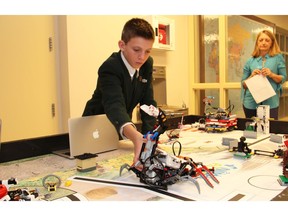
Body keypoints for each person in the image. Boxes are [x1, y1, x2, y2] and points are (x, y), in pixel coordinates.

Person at [82, 18, 157, 167]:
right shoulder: (109, 67)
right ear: (122, 45)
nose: (142, 57)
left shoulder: (147, 64)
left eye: (147, 51)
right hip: (94, 130)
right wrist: (136, 137)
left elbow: (148, 102)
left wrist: (149, 138)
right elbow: (114, 105)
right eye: (136, 50)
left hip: (122, 131)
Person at [241, 29, 287, 120]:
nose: (264, 42)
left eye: (267, 40)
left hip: (271, 102)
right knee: (252, 130)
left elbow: (283, 78)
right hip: (250, 102)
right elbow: (244, 84)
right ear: (257, 42)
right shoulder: (250, 61)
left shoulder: (278, 58)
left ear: (272, 43)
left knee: (270, 129)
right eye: (261, 40)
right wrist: (251, 76)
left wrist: (272, 74)